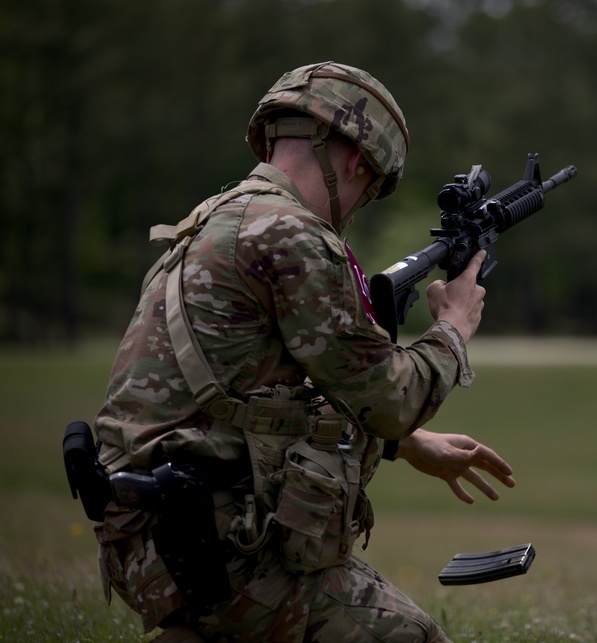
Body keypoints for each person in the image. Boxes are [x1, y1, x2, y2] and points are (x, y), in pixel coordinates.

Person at [91, 61, 516, 642]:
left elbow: (263, 389)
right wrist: (453, 327)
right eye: (369, 190)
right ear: (356, 163)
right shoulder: (292, 235)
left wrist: (404, 444)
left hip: (152, 532)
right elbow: (391, 397)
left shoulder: (210, 222)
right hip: (218, 543)